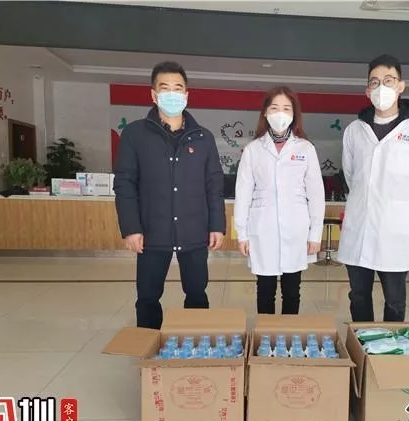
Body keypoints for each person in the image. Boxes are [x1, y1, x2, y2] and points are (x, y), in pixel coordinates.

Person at [113, 61, 225, 330]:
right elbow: (125, 184)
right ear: (153, 95)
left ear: (186, 94)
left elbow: (214, 185)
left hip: (194, 231)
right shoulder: (135, 134)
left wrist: (217, 226)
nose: (172, 94)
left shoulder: (203, 137)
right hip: (152, 232)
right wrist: (131, 228)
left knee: (197, 293)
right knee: (148, 296)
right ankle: (148, 347)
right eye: (165, 88)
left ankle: (195, 344)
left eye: (178, 88)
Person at [338, 54, 409, 322]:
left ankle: (389, 347)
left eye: (388, 80)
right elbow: (351, 174)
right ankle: (361, 343)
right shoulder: (355, 130)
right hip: (359, 226)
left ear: (401, 86)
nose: (381, 87)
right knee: (358, 295)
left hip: (395, 228)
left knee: (394, 299)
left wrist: (406, 208)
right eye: (374, 82)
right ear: (367, 90)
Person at [234, 86, 325, 315]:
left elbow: (316, 194)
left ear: (294, 114)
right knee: (265, 291)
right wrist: (242, 233)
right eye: (274, 108)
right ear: (265, 112)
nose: (280, 113)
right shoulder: (253, 150)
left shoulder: (305, 148)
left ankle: (288, 334)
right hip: (262, 229)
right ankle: (264, 335)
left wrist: (315, 234)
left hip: (296, 230)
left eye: (286, 108)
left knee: (292, 291)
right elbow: (243, 193)